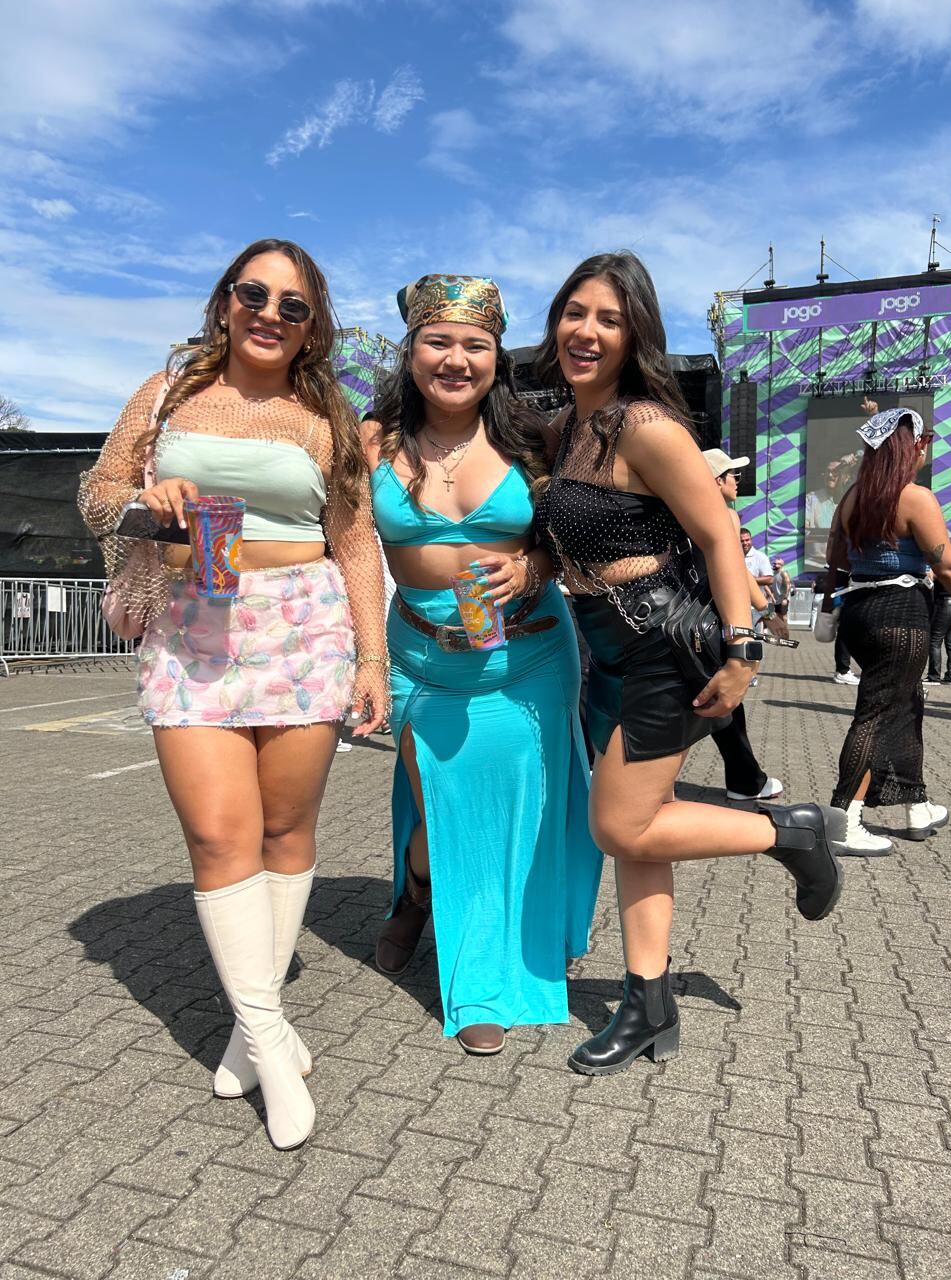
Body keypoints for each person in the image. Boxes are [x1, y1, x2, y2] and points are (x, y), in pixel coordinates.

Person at [78, 239, 388, 1149]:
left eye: (294, 305)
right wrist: (149, 494)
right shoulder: (169, 389)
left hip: (302, 623)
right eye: (255, 293)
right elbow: (99, 496)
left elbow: (356, 539)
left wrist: (372, 658)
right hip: (193, 624)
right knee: (219, 834)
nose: (270, 313)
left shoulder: (326, 410)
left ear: (312, 326)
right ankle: (265, 1033)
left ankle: (254, 1032)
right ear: (225, 301)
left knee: (285, 832)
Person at [533, 251, 845, 1076]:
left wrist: (744, 653)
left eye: (608, 318)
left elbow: (718, 539)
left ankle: (788, 829)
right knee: (643, 836)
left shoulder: (647, 427)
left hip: (665, 645)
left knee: (618, 823)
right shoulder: (565, 428)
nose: (587, 331)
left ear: (637, 333)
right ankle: (649, 1004)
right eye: (575, 313)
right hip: (602, 647)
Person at [362, 273, 602, 1056]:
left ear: (498, 356)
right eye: (439, 341)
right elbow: (350, 543)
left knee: (520, 811)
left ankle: (487, 983)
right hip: (420, 659)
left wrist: (532, 568)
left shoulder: (535, 438)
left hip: (528, 654)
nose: (456, 359)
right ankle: (419, 894)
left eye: (476, 344)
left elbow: (572, 534)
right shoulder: (373, 440)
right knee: (440, 807)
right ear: (412, 350)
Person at [822, 401, 951, 854]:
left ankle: (916, 803)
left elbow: (835, 559)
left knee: (906, 703)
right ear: (909, 446)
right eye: (923, 442)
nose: (925, 451)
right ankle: (845, 817)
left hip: (860, 612)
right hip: (901, 614)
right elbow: (949, 569)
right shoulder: (915, 497)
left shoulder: (852, 497)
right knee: (878, 713)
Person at [702, 448, 783, 802]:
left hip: (687, 619)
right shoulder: (724, 516)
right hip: (714, 620)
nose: (737, 480)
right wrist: (766, 616)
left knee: (720, 704)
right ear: (717, 481)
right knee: (723, 702)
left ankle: (746, 777)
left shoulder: (682, 512)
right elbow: (735, 570)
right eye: (732, 475)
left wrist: (766, 611)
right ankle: (745, 780)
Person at [927, 537, 951, 683]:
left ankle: (934, 675)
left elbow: (930, 577)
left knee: (934, 640)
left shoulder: (944, 567)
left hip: (945, 604)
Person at [769, 557, 791, 640]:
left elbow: (788, 585)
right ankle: (780, 634)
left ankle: (785, 635)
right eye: (774, 563)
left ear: (781, 565)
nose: (774, 565)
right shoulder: (775, 574)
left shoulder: (783, 573)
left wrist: (785, 598)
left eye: (776, 563)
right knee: (777, 617)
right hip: (776, 599)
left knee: (783, 616)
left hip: (783, 599)